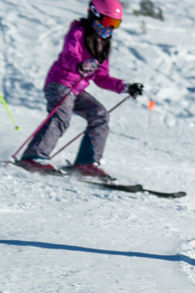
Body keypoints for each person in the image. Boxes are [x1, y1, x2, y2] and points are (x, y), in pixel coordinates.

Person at [17, 0, 144, 178]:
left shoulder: (103, 43)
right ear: (94, 14)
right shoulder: (78, 32)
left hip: (76, 90)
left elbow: (101, 77)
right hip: (60, 83)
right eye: (108, 22)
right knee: (62, 115)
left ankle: (86, 162)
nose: (110, 28)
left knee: (100, 114)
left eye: (115, 24)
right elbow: (68, 55)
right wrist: (80, 65)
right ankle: (33, 157)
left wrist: (125, 87)